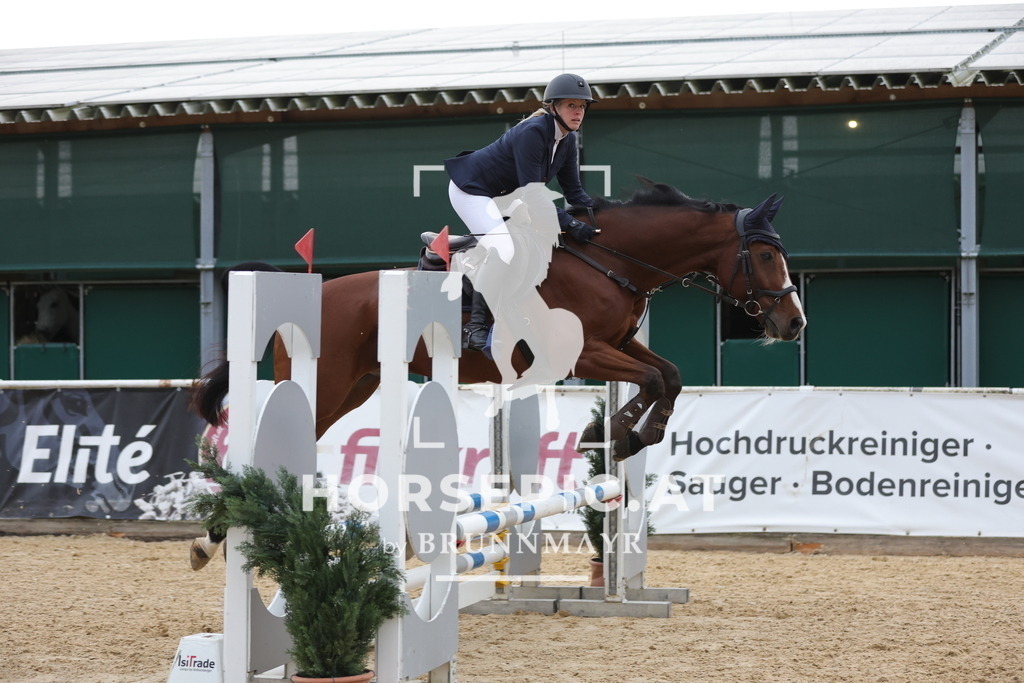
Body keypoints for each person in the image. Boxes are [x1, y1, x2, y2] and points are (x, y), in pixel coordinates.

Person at [444, 72, 600, 351]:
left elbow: (575, 193)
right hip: (472, 191)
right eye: (571, 105)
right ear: (553, 107)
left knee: (533, 240)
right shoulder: (533, 132)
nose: (578, 112)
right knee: (503, 247)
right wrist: (570, 224)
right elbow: (532, 194)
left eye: (582, 106)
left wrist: (599, 218)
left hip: (504, 196)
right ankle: (475, 328)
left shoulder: (567, 141)